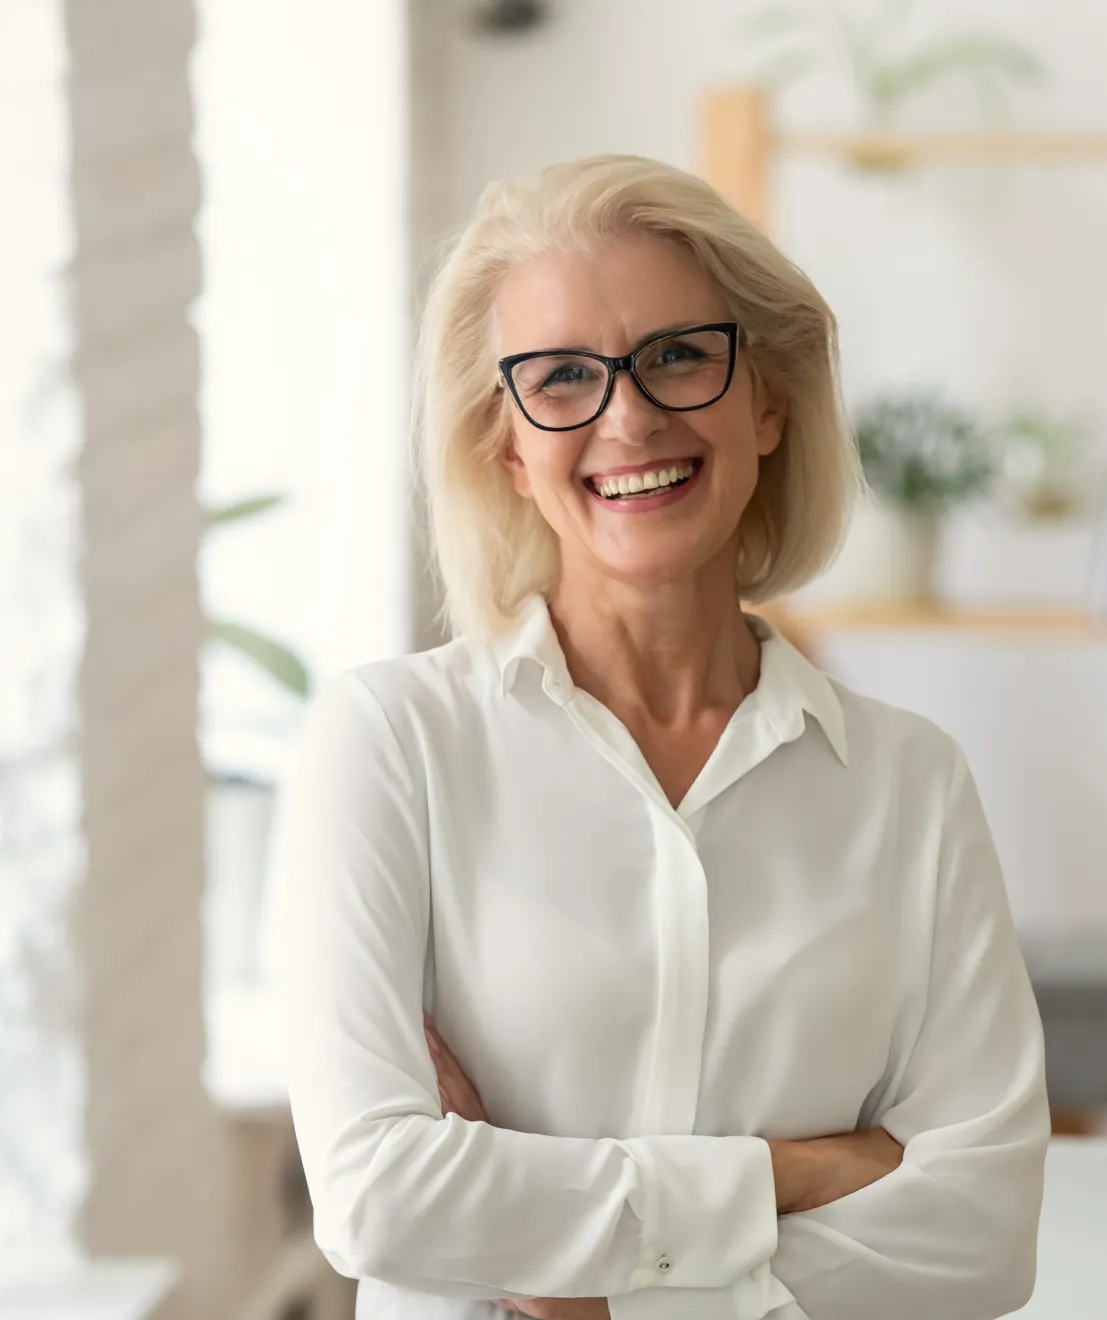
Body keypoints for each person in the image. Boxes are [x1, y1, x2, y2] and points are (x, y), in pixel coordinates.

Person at [273, 153, 1049, 1320]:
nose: (628, 416)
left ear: (767, 400)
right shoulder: (389, 745)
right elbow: (374, 1198)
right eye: (562, 377)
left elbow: (980, 1237)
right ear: (508, 450)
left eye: (678, 356)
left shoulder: (908, 782)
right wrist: (798, 1174)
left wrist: (573, 1289)